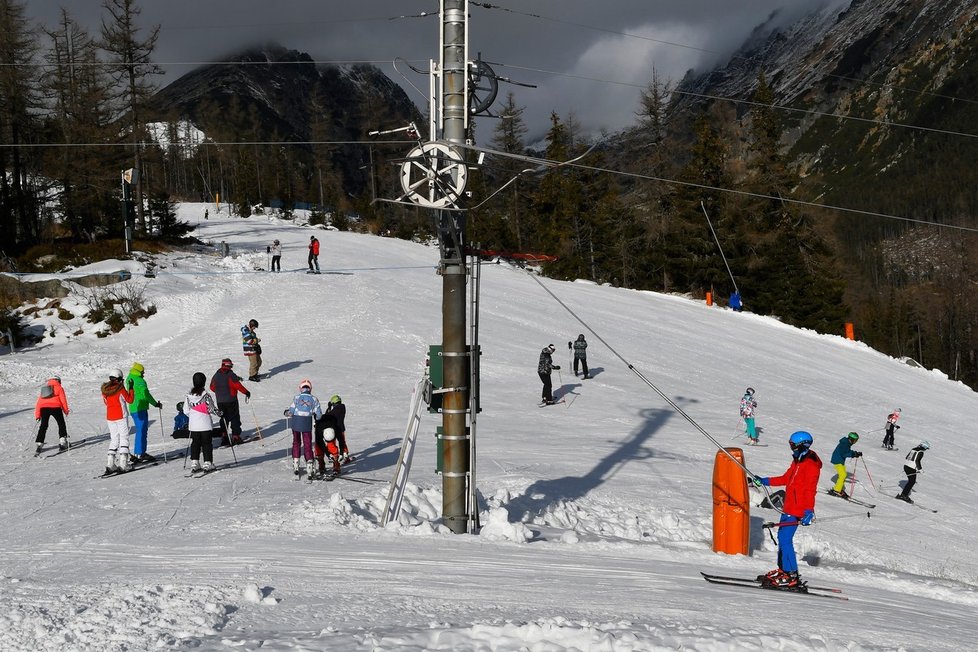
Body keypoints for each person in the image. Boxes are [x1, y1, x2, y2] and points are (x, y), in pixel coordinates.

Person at [751, 431, 822, 589]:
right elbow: (785, 478)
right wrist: (764, 481)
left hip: (798, 509)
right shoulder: (798, 461)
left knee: (785, 539)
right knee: (782, 537)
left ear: (802, 445)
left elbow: (811, 490)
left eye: (792, 445)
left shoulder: (810, 465)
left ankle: (791, 575)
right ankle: (784, 570)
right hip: (788, 506)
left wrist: (808, 510)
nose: (791, 448)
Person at [183, 372, 222, 473]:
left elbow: (186, 411)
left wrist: (193, 415)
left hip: (194, 425)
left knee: (195, 443)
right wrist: (220, 413)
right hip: (205, 424)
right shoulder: (206, 396)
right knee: (207, 443)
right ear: (204, 382)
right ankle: (208, 463)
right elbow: (211, 409)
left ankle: (195, 463)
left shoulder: (188, 396)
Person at [125, 362, 163, 464]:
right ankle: (140, 453)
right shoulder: (140, 381)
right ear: (138, 371)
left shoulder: (129, 377)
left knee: (140, 430)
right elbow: (146, 394)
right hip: (140, 408)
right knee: (142, 430)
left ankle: (140, 452)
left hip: (133, 408)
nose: (143, 374)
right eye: (142, 372)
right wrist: (155, 404)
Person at [284, 379, 323, 477]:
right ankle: (309, 464)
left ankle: (296, 462)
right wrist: (317, 418)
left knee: (296, 441)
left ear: (300, 388)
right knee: (307, 443)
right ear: (310, 388)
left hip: (296, 422)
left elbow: (291, 411)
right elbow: (319, 414)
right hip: (306, 423)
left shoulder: (297, 397)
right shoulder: (314, 399)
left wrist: (286, 413)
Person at [210, 357, 251, 446]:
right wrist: (246, 392)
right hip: (231, 400)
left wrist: (220, 392)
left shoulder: (216, 375)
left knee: (223, 418)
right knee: (234, 417)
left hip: (220, 401)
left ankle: (224, 435)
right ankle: (235, 436)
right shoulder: (231, 375)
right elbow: (237, 385)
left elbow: (212, 387)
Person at [101, 369, 134, 475]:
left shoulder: (105, 390)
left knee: (114, 439)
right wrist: (131, 388)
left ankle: (110, 464)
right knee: (124, 437)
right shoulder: (120, 388)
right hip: (121, 416)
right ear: (119, 378)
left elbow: (106, 403)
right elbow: (130, 399)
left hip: (110, 417)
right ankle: (123, 464)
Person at [34, 375, 70, 454]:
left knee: (43, 425)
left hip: (44, 409)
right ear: (58, 381)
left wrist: (37, 415)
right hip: (56, 408)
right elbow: (63, 400)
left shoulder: (45, 389)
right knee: (61, 423)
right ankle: (63, 441)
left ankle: (39, 442)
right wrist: (66, 410)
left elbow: (39, 403)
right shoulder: (60, 388)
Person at [828, 431, 863, 498]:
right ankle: (836, 490)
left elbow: (847, 451)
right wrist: (854, 454)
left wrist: (856, 453)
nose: (855, 442)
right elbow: (845, 453)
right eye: (855, 440)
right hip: (837, 460)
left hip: (840, 460)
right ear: (852, 439)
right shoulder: (845, 444)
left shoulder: (847, 443)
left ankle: (838, 488)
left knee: (843, 474)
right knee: (843, 475)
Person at [326, 394, 353, 464]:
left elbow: (327, 415)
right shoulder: (342, 407)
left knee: (332, 442)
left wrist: (329, 408)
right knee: (342, 442)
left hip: (335, 429)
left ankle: (336, 454)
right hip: (341, 428)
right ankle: (345, 454)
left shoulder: (337, 409)